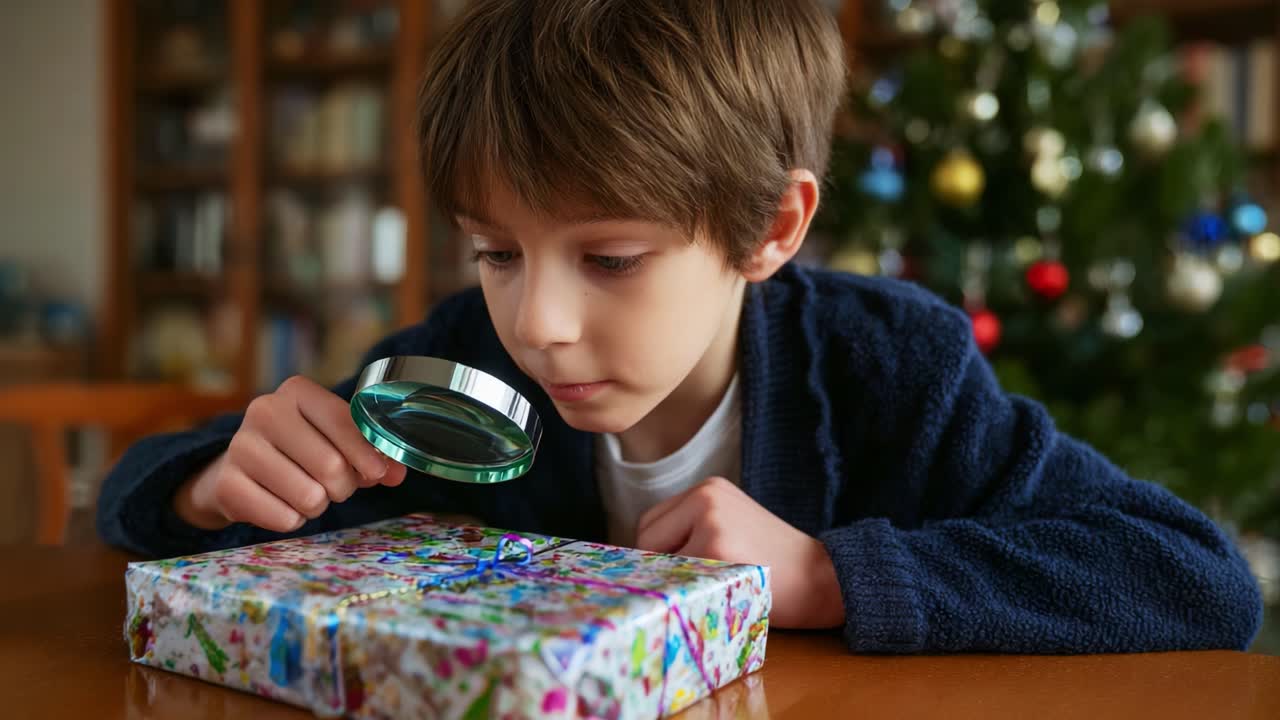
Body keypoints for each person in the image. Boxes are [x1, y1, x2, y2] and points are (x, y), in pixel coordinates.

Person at [98, 0, 1262, 654]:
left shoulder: (888, 364)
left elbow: (1194, 576)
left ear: (769, 225)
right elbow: (142, 497)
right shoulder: (464, 355)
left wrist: (824, 575)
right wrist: (214, 484)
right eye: (496, 250)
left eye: (610, 259)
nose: (538, 322)